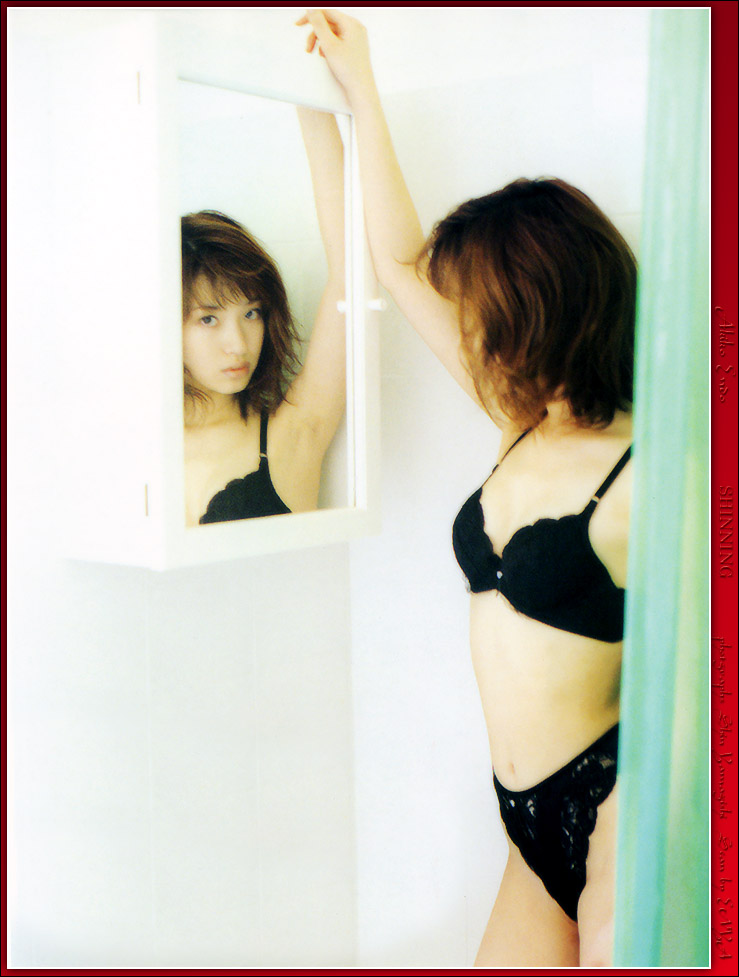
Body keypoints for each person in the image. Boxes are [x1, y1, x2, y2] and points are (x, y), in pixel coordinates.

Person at [297, 9, 634, 967]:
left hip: (616, 808)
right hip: (524, 827)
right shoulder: (516, 417)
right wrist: (352, 89)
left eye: (481, 315)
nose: (467, 334)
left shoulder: (645, 472)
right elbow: (398, 263)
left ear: (536, 314)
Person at [182, 108, 346, 526]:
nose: (238, 344)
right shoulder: (126, 445)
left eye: (252, 313)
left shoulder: (293, 432)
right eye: (208, 319)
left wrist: (312, 98)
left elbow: (352, 276)